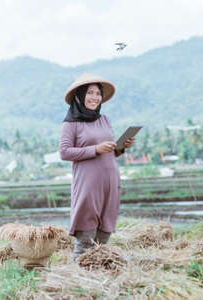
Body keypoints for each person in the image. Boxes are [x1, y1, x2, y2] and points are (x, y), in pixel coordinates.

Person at [59, 73, 134, 261]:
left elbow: (109, 151)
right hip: (88, 186)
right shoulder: (70, 124)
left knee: (102, 243)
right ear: (79, 95)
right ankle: (75, 280)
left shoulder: (105, 120)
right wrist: (95, 149)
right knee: (85, 243)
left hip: (110, 184)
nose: (95, 97)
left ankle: (97, 280)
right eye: (90, 93)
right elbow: (65, 152)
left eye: (98, 93)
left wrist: (121, 147)